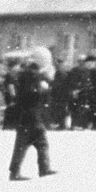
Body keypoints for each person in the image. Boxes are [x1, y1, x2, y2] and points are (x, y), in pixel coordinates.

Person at [7, 47, 58, 181]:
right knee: (33, 143)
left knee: (28, 143)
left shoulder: (24, 72)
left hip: (25, 113)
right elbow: (30, 93)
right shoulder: (33, 74)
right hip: (31, 113)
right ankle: (42, 168)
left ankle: (18, 170)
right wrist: (42, 90)